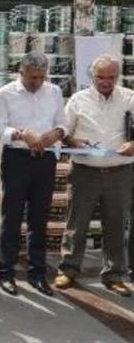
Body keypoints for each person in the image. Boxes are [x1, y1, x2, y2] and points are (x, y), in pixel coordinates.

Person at [54, 55, 134, 296]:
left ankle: (115, 274)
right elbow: (63, 131)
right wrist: (73, 140)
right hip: (84, 172)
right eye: (101, 77)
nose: (106, 82)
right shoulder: (78, 101)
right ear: (92, 76)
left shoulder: (130, 98)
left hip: (120, 171)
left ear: (117, 76)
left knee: (116, 225)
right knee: (76, 223)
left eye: (111, 77)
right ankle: (68, 269)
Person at [0, 52, 67, 296]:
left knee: (39, 218)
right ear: (20, 72)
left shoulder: (54, 91)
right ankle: (6, 272)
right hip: (17, 159)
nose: (36, 82)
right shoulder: (5, 93)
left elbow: (63, 123)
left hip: (45, 160)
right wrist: (23, 134)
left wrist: (56, 133)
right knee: (12, 217)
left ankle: (38, 274)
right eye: (32, 77)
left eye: (41, 77)